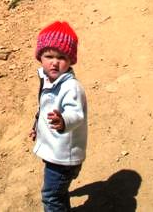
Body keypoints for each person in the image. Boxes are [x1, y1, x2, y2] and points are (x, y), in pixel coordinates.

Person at [30, 21, 88, 212]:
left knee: (51, 197)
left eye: (61, 57)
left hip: (63, 157)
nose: (54, 62)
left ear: (71, 60)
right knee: (59, 194)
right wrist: (37, 127)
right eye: (48, 56)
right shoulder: (48, 80)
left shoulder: (71, 87)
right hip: (54, 151)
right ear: (40, 58)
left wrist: (64, 121)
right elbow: (45, 108)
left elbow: (76, 114)